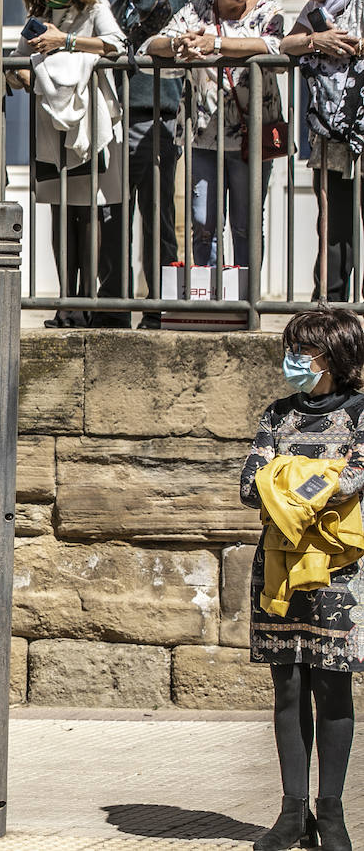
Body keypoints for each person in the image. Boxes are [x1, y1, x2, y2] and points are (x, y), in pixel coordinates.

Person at [239, 307, 363, 851]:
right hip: (278, 565)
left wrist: (286, 480)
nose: (293, 361)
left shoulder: (361, 414)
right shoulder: (276, 414)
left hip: (339, 572)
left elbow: (354, 480)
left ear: (334, 357)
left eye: (304, 352)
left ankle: (330, 813)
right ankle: (292, 813)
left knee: (333, 687)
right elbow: (249, 484)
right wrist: (316, 478)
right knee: (287, 688)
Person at [144, 0, 284, 276]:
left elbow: (275, 47)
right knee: (203, 221)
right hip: (203, 135)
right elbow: (151, 46)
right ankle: (208, 303)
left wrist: (215, 43)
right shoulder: (196, 12)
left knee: (245, 223)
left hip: (253, 137)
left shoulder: (268, 10)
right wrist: (180, 43)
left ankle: (245, 305)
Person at [7, 0, 127, 329]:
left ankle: (87, 301)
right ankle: (66, 302)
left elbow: (118, 45)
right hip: (51, 130)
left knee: (90, 213)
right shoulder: (38, 16)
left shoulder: (94, 8)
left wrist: (68, 43)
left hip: (91, 125)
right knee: (61, 215)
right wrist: (20, 74)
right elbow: (17, 58)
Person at [110, 0, 192, 328]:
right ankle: (114, 306)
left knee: (156, 217)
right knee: (114, 216)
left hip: (157, 118)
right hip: (118, 118)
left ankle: (158, 308)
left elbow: (153, 11)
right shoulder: (120, 4)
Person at [281, 0, 364, 304]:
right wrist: (319, 40)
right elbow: (287, 44)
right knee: (332, 229)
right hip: (330, 134)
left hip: (359, 125)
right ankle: (328, 312)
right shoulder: (318, 7)